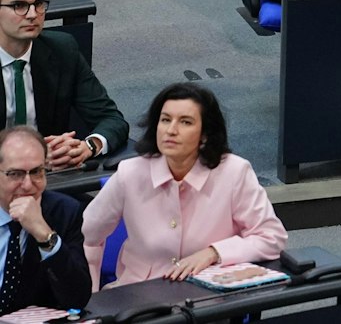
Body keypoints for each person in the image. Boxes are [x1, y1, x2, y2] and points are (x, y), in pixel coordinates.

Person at [82, 83, 287, 285]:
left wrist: (214, 252)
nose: (171, 130)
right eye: (165, 120)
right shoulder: (130, 173)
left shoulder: (234, 172)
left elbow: (271, 238)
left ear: (205, 135)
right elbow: (86, 236)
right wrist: (88, 299)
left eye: (185, 122)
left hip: (208, 297)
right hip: (138, 297)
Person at [0, 0, 128, 166]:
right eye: (19, 5)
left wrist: (87, 147)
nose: (33, 14)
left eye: (39, 4)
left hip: (48, 175)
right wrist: (28, 156)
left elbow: (112, 119)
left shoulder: (62, 50)